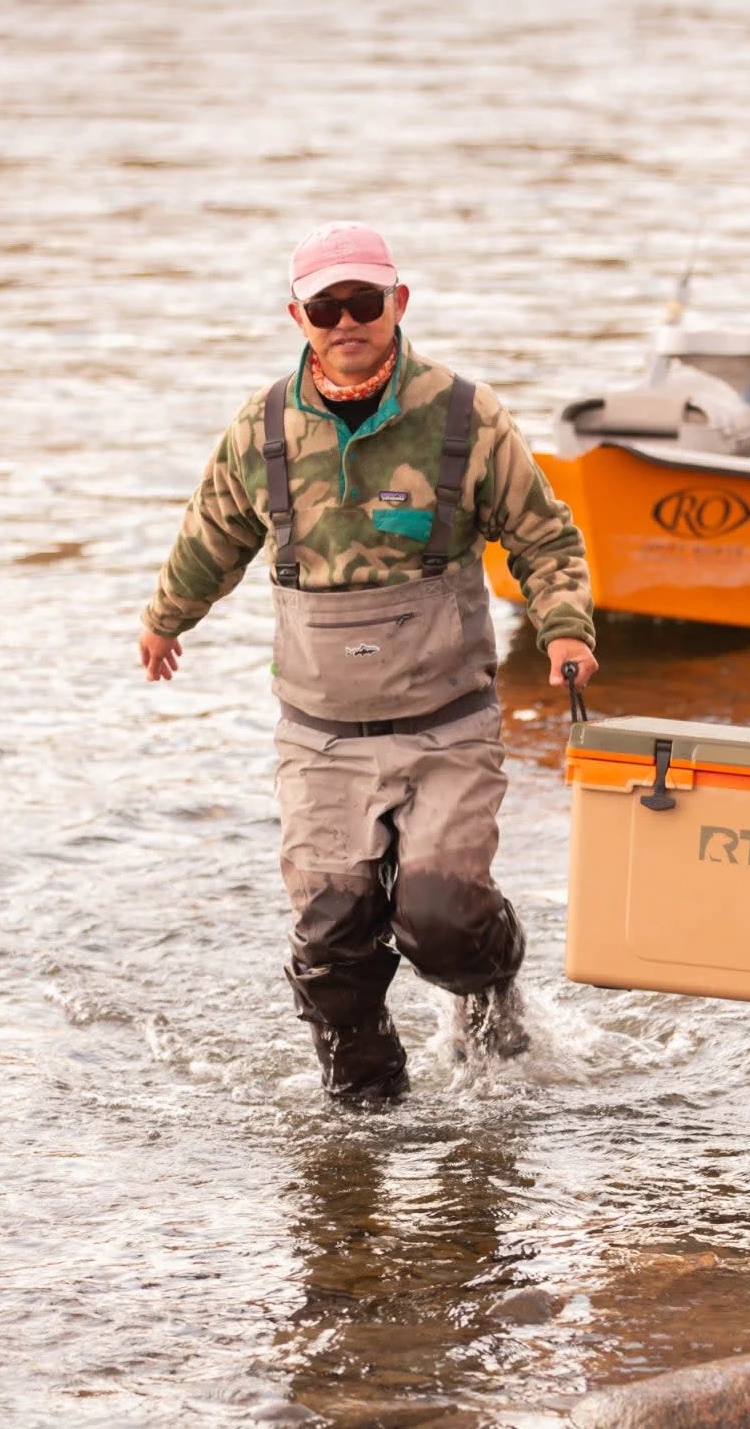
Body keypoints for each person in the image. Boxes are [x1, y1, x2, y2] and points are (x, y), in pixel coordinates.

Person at [138, 221, 598, 1105]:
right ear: (298, 316)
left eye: (364, 302)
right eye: (325, 306)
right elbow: (211, 535)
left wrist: (566, 628)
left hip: (448, 727)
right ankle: (368, 1116)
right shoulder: (262, 428)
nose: (346, 321)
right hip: (320, 739)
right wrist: (166, 619)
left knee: (442, 919)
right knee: (332, 941)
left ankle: (492, 986)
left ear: (398, 303)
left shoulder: (467, 415)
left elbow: (545, 534)